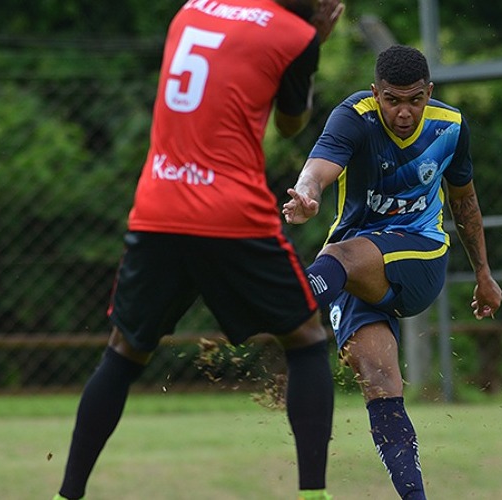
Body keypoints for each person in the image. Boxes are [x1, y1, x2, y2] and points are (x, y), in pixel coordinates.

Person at [53, 1, 344, 499]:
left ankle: (67, 495)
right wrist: (315, 35)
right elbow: (291, 126)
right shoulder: (297, 35)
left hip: (158, 203)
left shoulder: (191, 10)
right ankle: (313, 495)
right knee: (306, 339)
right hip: (231, 212)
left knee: (124, 351)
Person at [282, 44, 502, 499]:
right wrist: (306, 194)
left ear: (429, 93)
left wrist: (483, 272)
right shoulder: (354, 118)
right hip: (350, 273)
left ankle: (282, 306)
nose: (404, 112)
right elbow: (317, 169)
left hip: (419, 258)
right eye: (393, 100)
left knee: (338, 259)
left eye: (415, 100)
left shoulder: (451, 126)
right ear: (375, 93)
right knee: (381, 384)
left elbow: (464, 201)